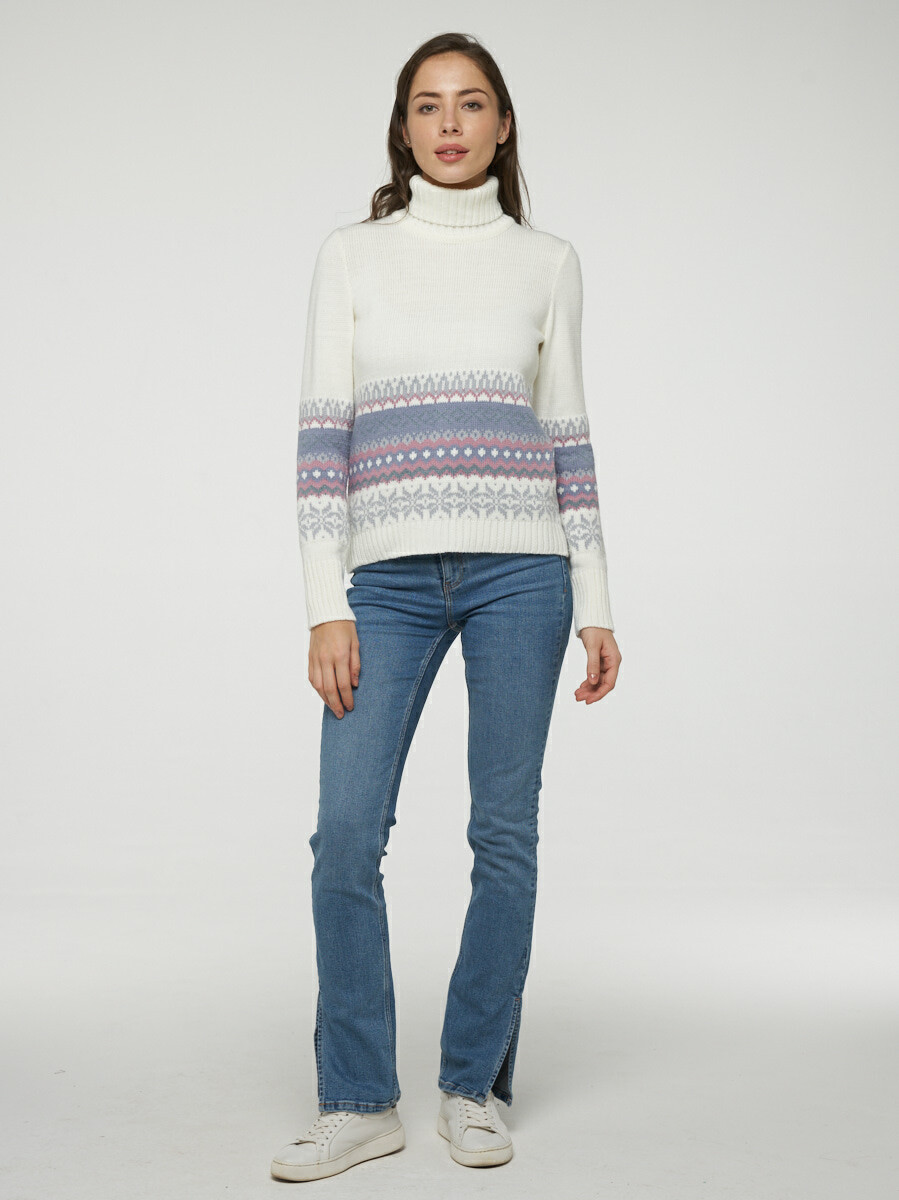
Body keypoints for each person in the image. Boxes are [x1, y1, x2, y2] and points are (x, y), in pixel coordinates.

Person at [270, 31, 622, 1183]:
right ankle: (359, 1100)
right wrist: (325, 603)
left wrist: (595, 596)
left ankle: (473, 1085)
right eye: (428, 105)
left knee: (502, 834)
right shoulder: (353, 256)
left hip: (525, 573)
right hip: (385, 581)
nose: (451, 124)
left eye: (472, 104)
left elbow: (567, 435)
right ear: (404, 127)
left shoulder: (548, 262)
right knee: (345, 835)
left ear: (503, 125)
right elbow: (322, 440)